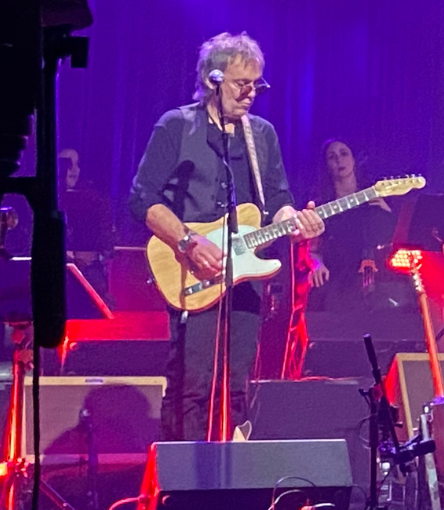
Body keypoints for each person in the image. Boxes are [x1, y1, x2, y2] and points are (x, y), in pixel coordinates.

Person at [127, 32, 324, 441]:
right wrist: (188, 242)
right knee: (192, 385)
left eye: (257, 84)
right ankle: (181, 488)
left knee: (237, 387)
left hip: (245, 276)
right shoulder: (178, 125)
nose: (251, 93)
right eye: (241, 83)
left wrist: (297, 220)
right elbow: (142, 199)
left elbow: (278, 201)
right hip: (191, 271)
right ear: (213, 79)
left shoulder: (262, 135)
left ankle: (229, 480)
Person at [303, 139, 398, 312]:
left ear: (354, 159)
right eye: (332, 157)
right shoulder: (322, 206)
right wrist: (317, 265)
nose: (339, 160)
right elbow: (312, 250)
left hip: (375, 281)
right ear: (327, 165)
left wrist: (387, 212)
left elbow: (395, 241)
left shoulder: (374, 200)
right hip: (336, 280)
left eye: (344, 154)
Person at [59, 147, 117, 300]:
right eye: (67, 164)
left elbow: (106, 244)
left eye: (77, 164)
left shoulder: (93, 200)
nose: (74, 170)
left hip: (88, 270)